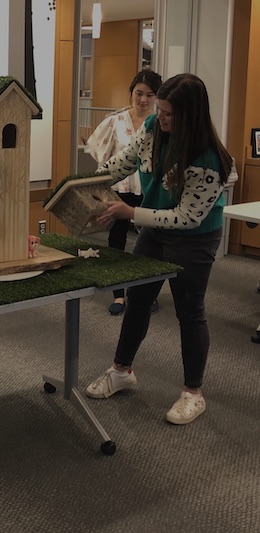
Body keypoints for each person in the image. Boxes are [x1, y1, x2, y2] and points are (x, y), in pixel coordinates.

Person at [85, 73, 233, 425]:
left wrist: (130, 213)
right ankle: (122, 370)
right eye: (159, 110)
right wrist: (86, 184)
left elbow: (187, 217)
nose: (159, 117)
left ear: (190, 116)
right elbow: (124, 161)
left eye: (168, 114)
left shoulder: (209, 159)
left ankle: (193, 393)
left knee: (189, 312)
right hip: (154, 230)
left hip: (195, 237)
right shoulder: (153, 127)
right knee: (138, 300)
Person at [86, 69, 163, 315]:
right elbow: (99, 151)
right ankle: (118, 294)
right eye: (139, 93)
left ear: (157, 97)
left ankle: (146, 293)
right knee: (116, 239)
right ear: (131, 92)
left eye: (150, 95)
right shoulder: (115, 121)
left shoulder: (161, 123)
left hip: (148, 189)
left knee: (149, 241)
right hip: (120, 188)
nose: (143, 99)